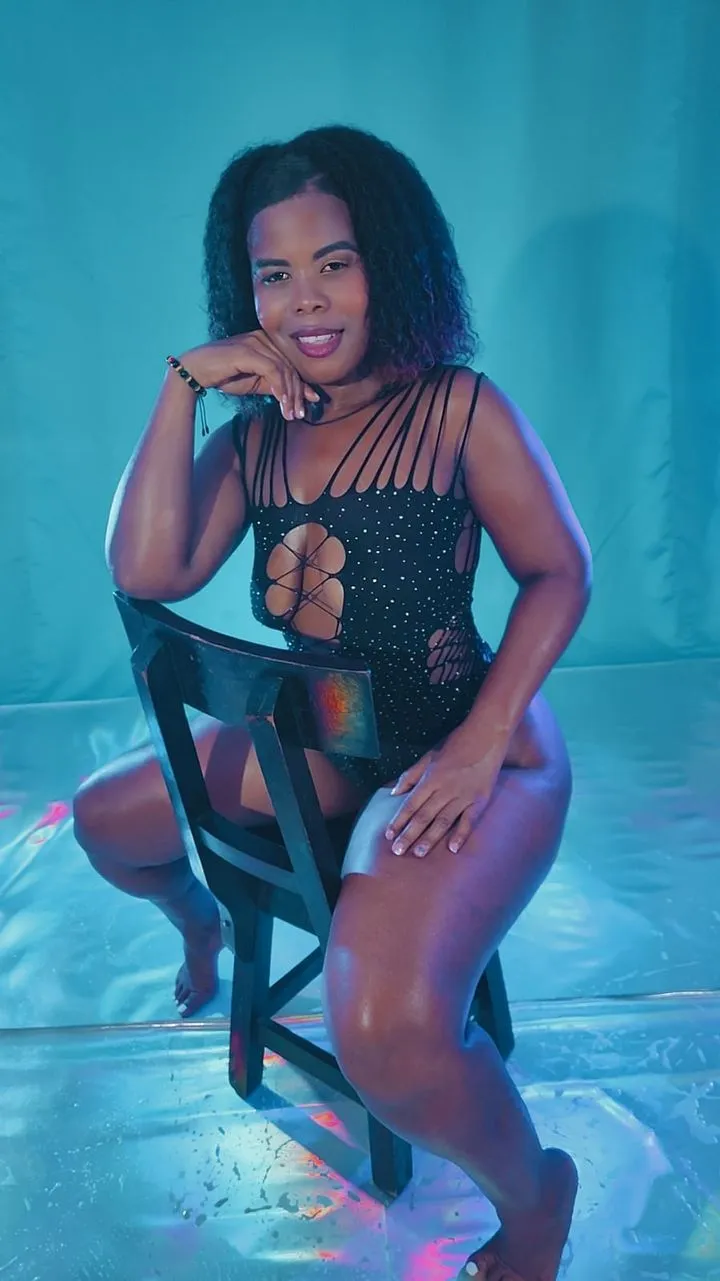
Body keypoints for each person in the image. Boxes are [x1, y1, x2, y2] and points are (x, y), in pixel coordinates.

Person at [72, 125, 591, 1280]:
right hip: (322, 738)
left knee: (386, 1037)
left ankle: (536, 1200)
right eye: (275, 273)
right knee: (104, 824)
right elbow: (146, 568)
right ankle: (206, 925)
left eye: (335, 263)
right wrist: (183, 384)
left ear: (388, 264)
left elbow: (562, 572)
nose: (304, 298)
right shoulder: (257, 437)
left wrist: (481, 742)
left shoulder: (458, 409)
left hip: (470, 740)